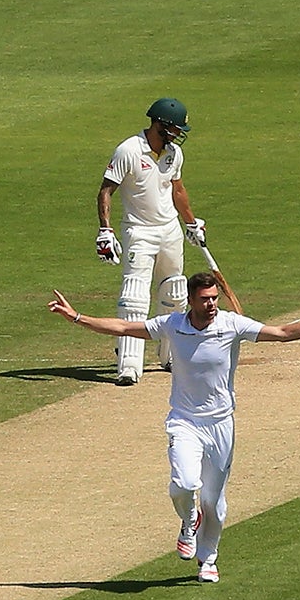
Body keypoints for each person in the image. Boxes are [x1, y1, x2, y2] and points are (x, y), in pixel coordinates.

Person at [48, 274, 300, 582]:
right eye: (205, 299)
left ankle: (208, 559)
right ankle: (189, 518)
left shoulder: (232, 324)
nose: (211, 305)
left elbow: (282, 332)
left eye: (215, 298)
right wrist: (76, 317)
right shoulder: (172, 324)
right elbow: (125, 328)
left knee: (214, 503)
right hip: (184, 421)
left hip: (221, 424)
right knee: (183, 484)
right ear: (190, 300)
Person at [96, 99, 210, 386]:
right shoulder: (129, 150)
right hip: (139, 231)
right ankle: (129, 365)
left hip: (169, 230)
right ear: (159, 123)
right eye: (174, 127)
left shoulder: (174, 153)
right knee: (134, 297)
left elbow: (178, 190)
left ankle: (169, 356)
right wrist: (105, 231)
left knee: (174, 292)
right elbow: (106, 191)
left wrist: (191, 223)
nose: (177, 133)